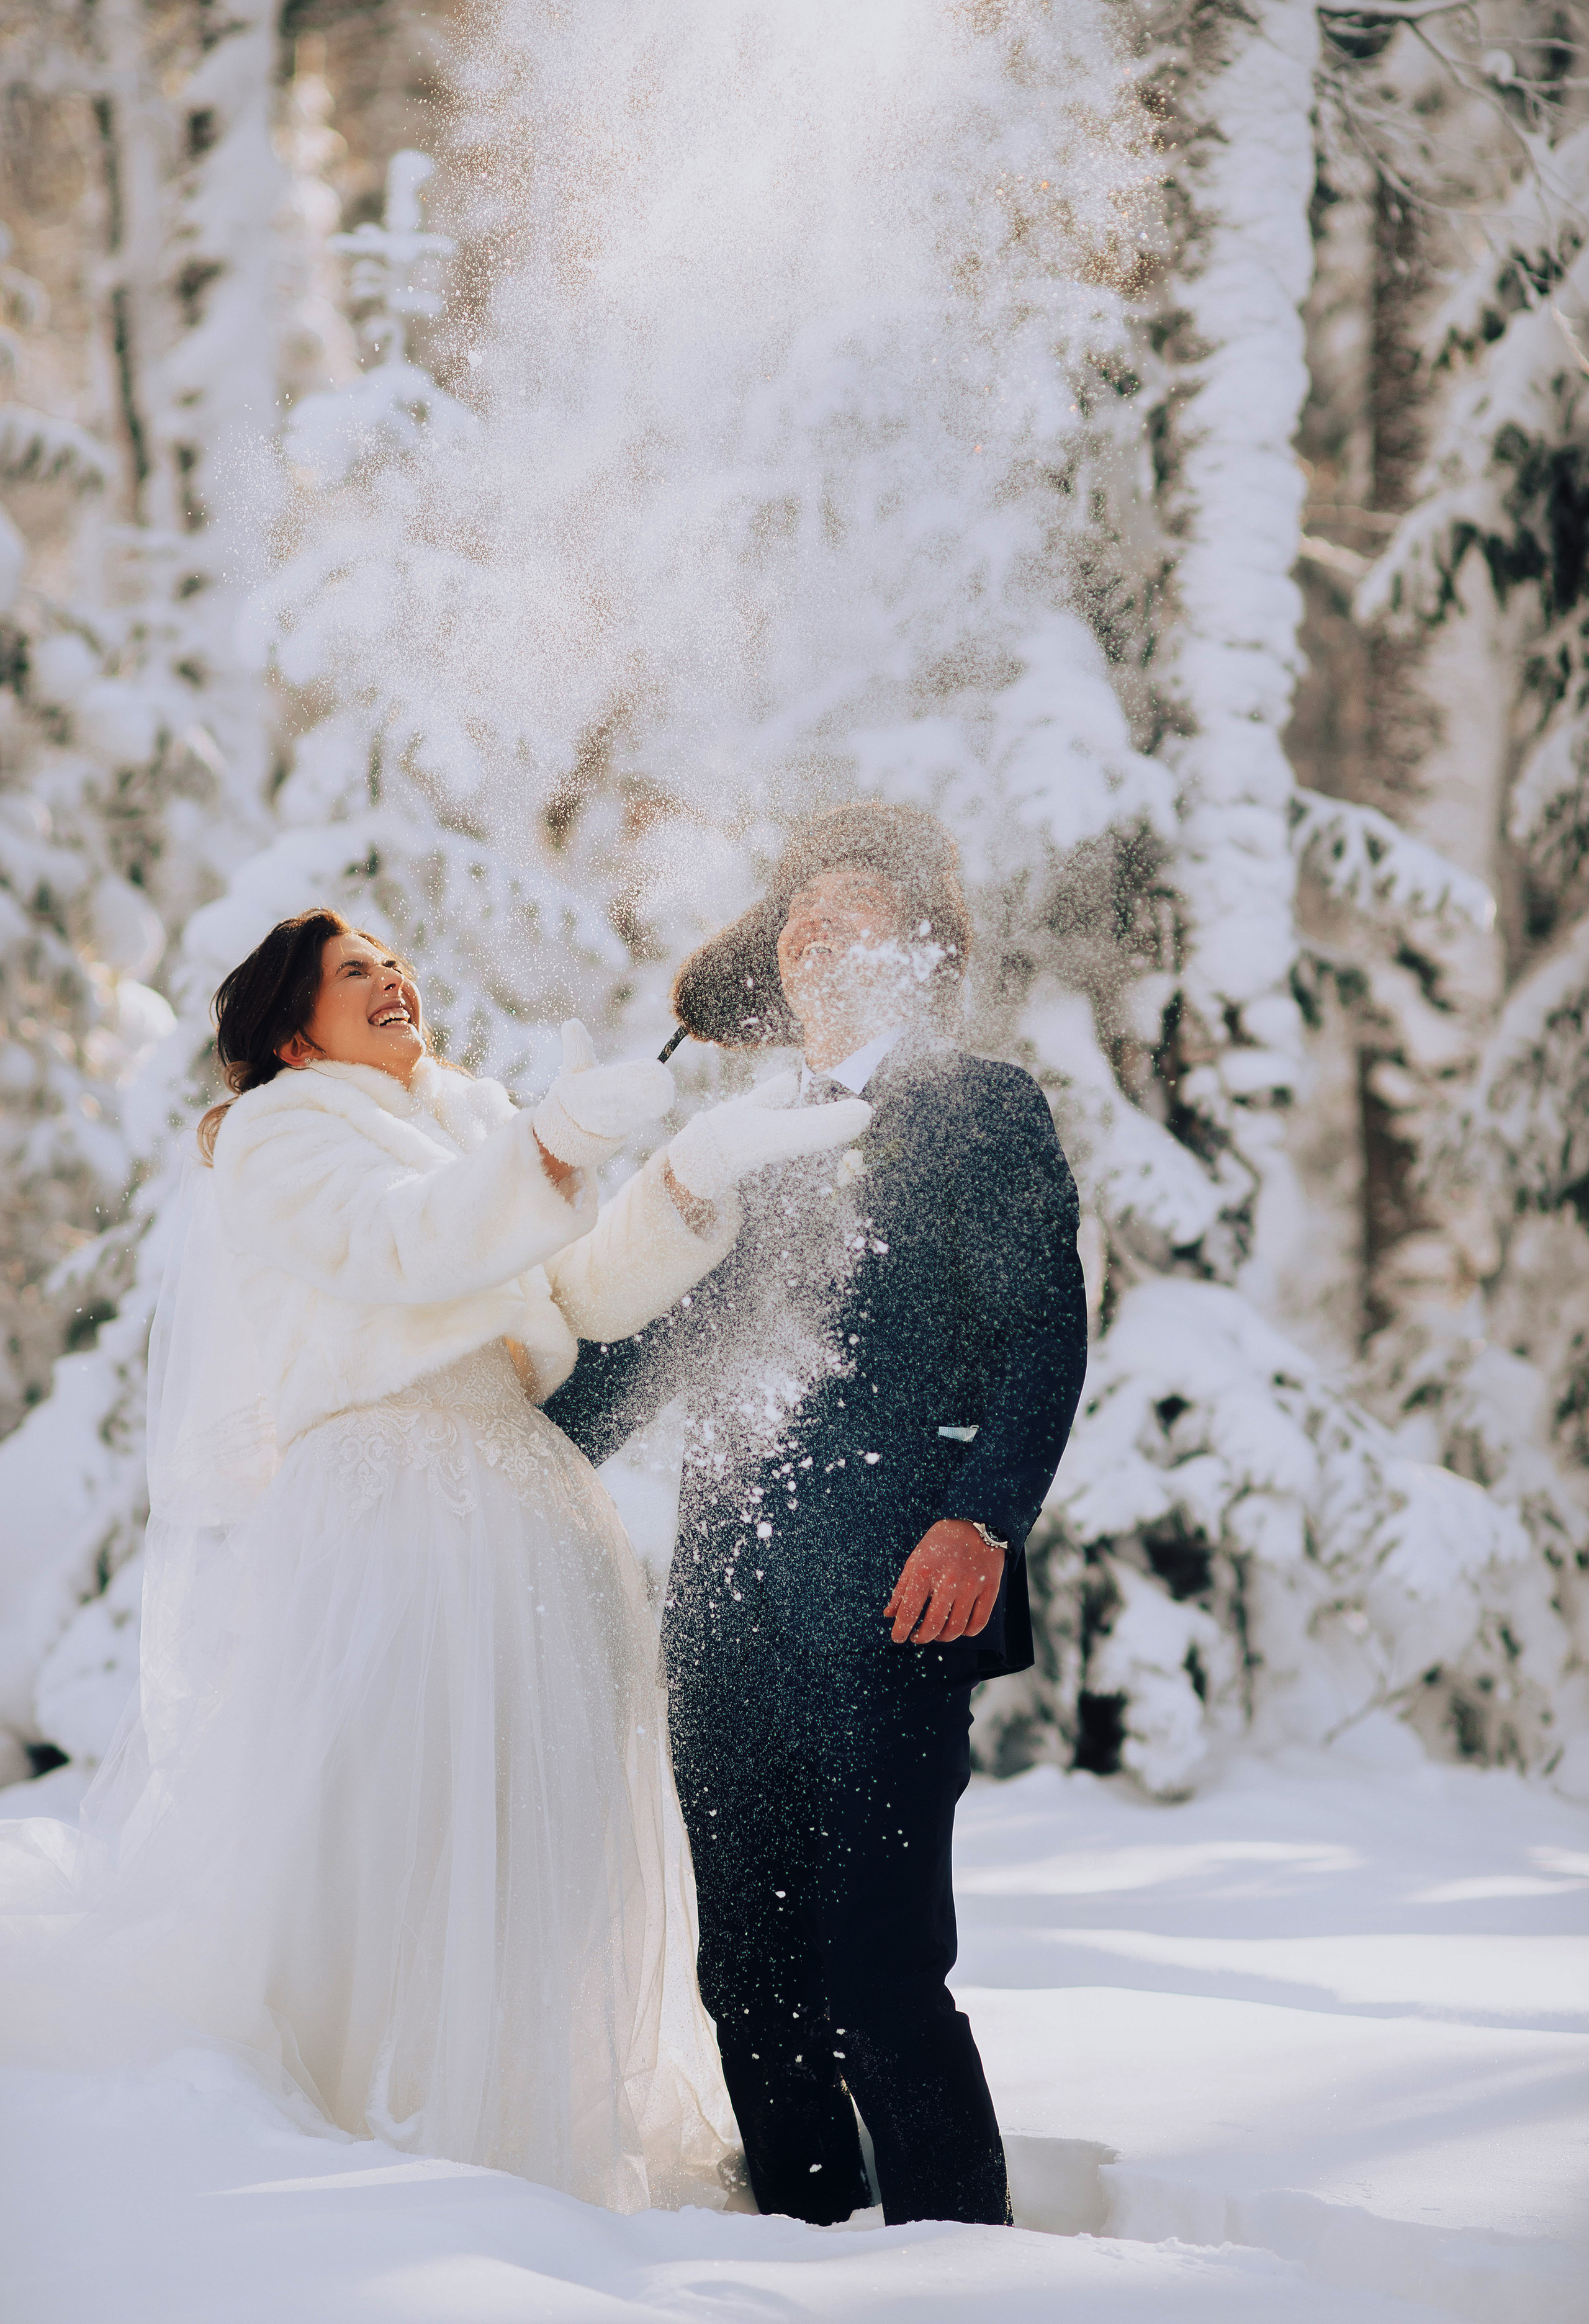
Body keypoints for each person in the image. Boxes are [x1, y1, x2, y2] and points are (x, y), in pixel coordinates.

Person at [0, 907, 868, 2214]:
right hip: (388, 1517)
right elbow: (404, 1243)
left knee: (534, 1846)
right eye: (353, 971)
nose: (391, 977)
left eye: (395, 960)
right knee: (394, 1828)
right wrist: (553, 1142)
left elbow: (571, 1292)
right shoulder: (278, 1136)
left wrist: (684, 1177)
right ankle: (372, 2165)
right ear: (292, 1030)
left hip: (524, 1509)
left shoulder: (468, 1116)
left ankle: (530, 2159)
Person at [544, 802, 1089, 2228]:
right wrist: (494, 1429)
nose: (815, 944)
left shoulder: (980, 1105)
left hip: (902, 1585)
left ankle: (961, 2263)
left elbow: (1041, 1337)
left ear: (922, 952)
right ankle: (807, 2252)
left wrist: (979, 1521)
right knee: (750, 1973)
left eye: (851, 921)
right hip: (725, 1602)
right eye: (797, 924)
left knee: (877, 1966)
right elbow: (654, 1347)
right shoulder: (738, 1138)